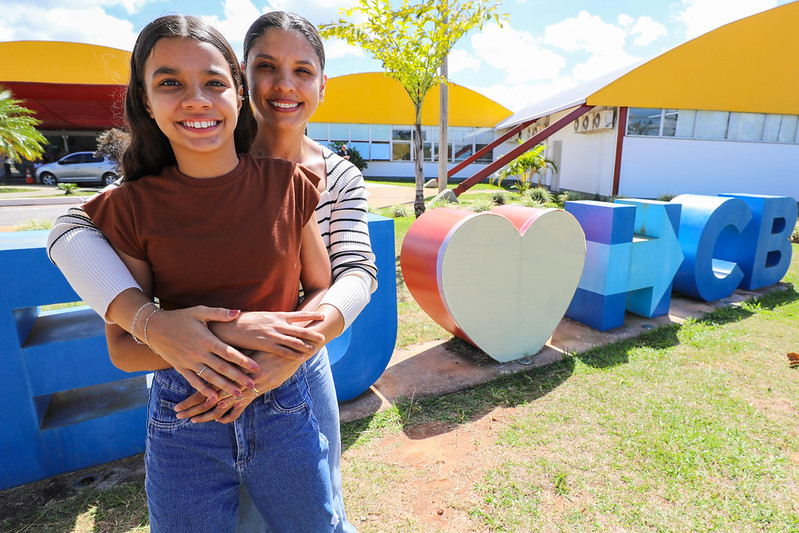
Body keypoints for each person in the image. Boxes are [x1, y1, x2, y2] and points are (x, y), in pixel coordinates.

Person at [47, 11, 376, 533]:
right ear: (247, 79)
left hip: (291, 382)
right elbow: (73, 239)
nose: (285, 84)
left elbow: (353, 274)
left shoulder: (306, 181)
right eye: (267, 66)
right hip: (186, 408)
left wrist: (286, 352)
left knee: (318, 514)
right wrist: (222, 331)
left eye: (303, 71)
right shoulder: (158, 187)